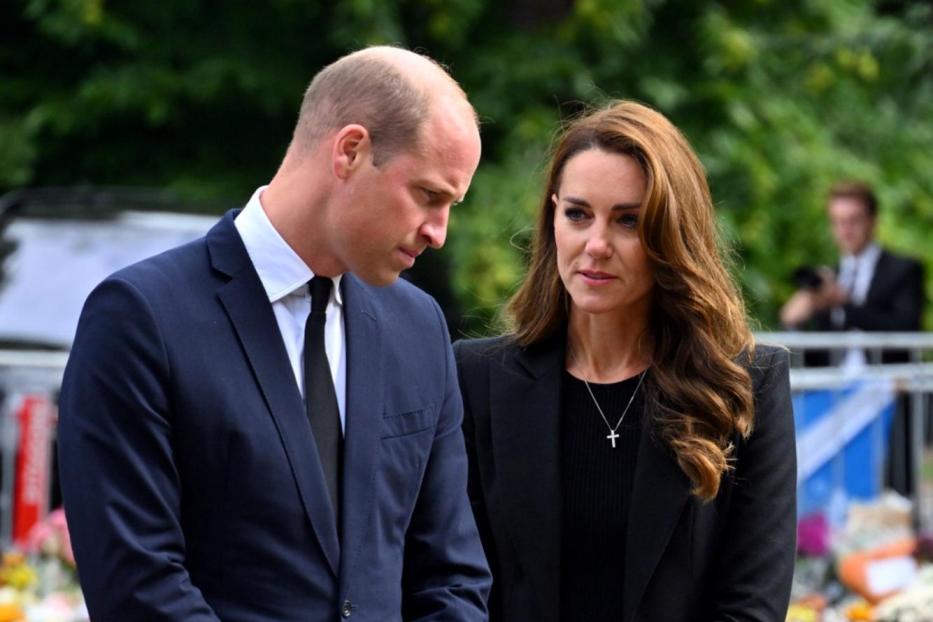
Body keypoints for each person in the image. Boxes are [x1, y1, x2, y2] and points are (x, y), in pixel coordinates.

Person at [57, 46, 491, 621]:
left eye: (452, 204)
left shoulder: (419, 328)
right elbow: (138, 584)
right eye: (430, 196)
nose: (439, 232)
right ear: (351, 151)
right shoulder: (141, 318)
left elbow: (453, 578)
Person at [455, 101, 796, 621]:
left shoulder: (745, 385)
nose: (595, 245)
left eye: (628, 221)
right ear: (552, 218)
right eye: (577, 214)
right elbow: (459, 586)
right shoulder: (478, 379)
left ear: (670, 235)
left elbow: (752, 605)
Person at [780, 180, 925, 365]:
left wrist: (844, 303)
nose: (845, 230)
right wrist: (794, 322)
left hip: (885, 383)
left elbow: (905, 330)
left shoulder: (903, 270)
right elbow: (817, 358)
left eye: (853, 220)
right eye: (838, 222)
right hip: (832, 386)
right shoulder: (829, 277)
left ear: (873, 220)